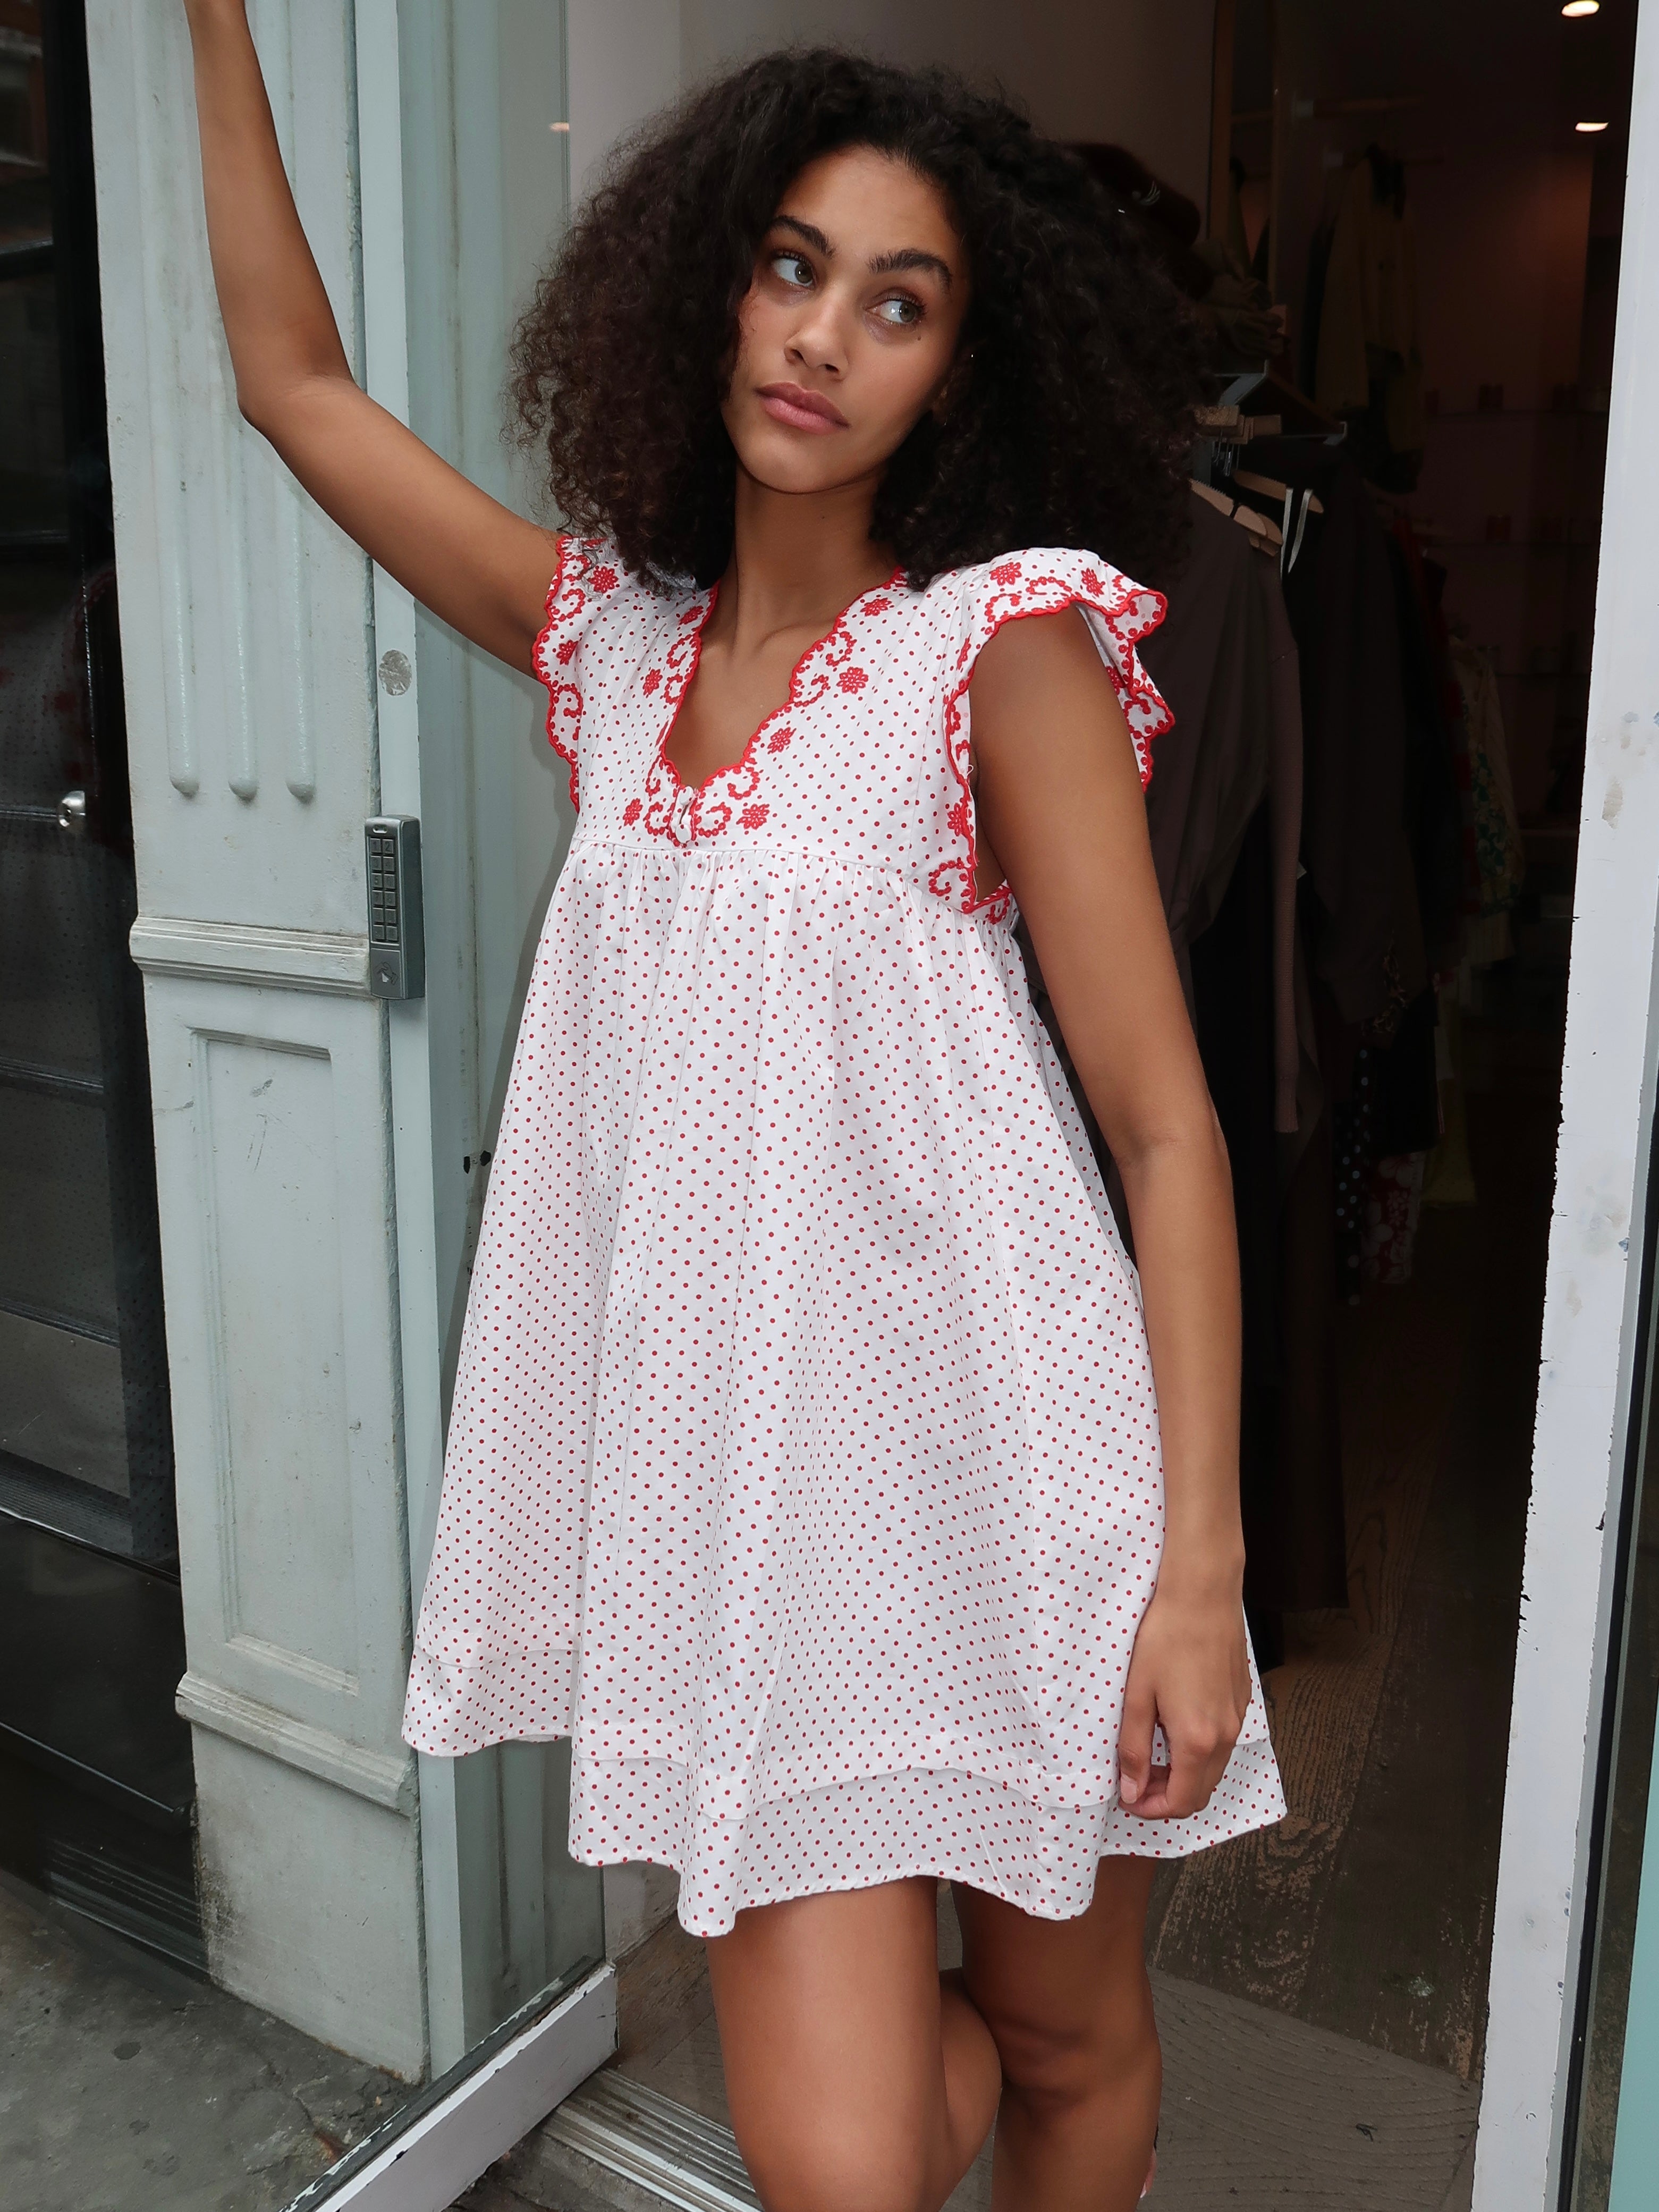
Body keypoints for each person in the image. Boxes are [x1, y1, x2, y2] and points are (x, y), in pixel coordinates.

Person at [181, 14, 1285, 2208]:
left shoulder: (996, 646)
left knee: (1068, 2049)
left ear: (957, 372)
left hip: (1020, 1476)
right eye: (791, 266)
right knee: (839, 2172)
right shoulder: (609, 641)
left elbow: (1163, 1128)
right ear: (707, 286)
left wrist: (1198, 1565)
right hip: (770, 1539)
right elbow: (296, 387)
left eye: (899, 300)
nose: (820, 337)